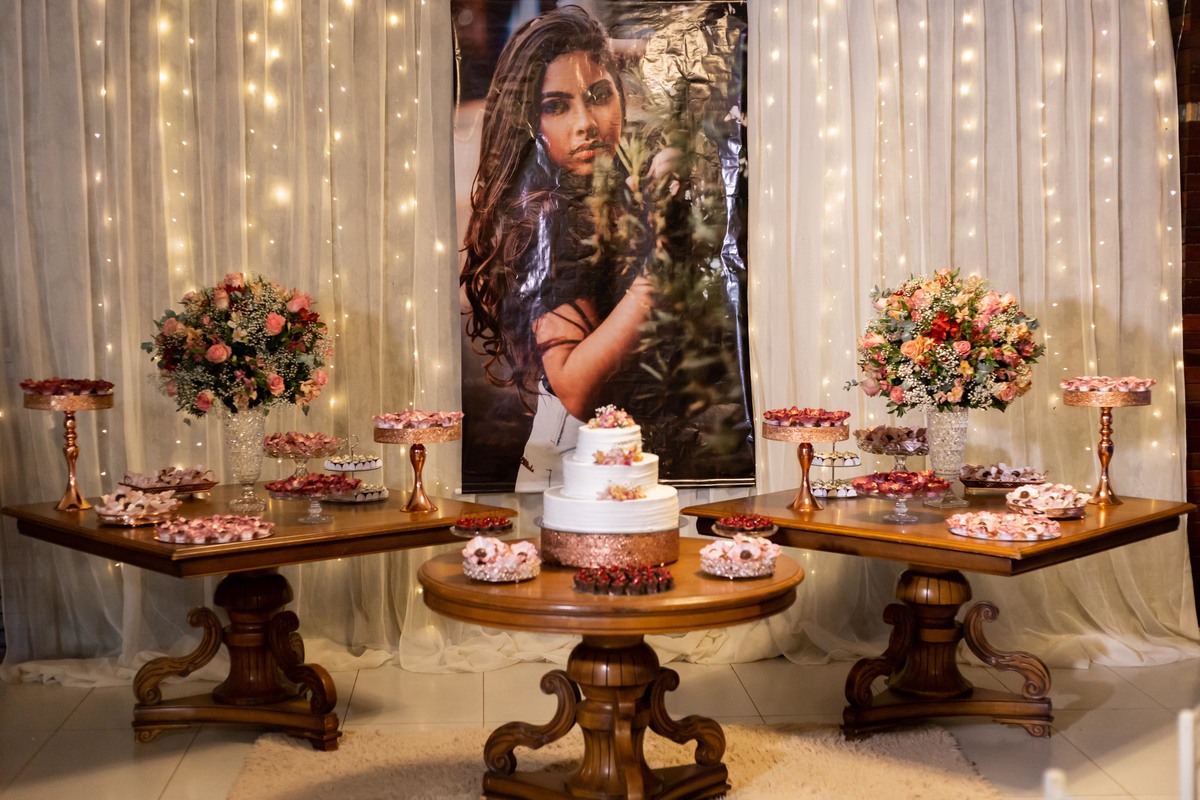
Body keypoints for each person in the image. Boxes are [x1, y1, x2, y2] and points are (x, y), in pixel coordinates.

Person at [460, 5, 656, 491]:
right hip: (569, 469)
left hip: (615, 459)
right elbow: (573, 386)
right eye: (556, 106)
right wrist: (658, 278)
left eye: (599, 96)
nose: (585, 123)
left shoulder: (615, 191)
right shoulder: (549, 213)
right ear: (529, 122)